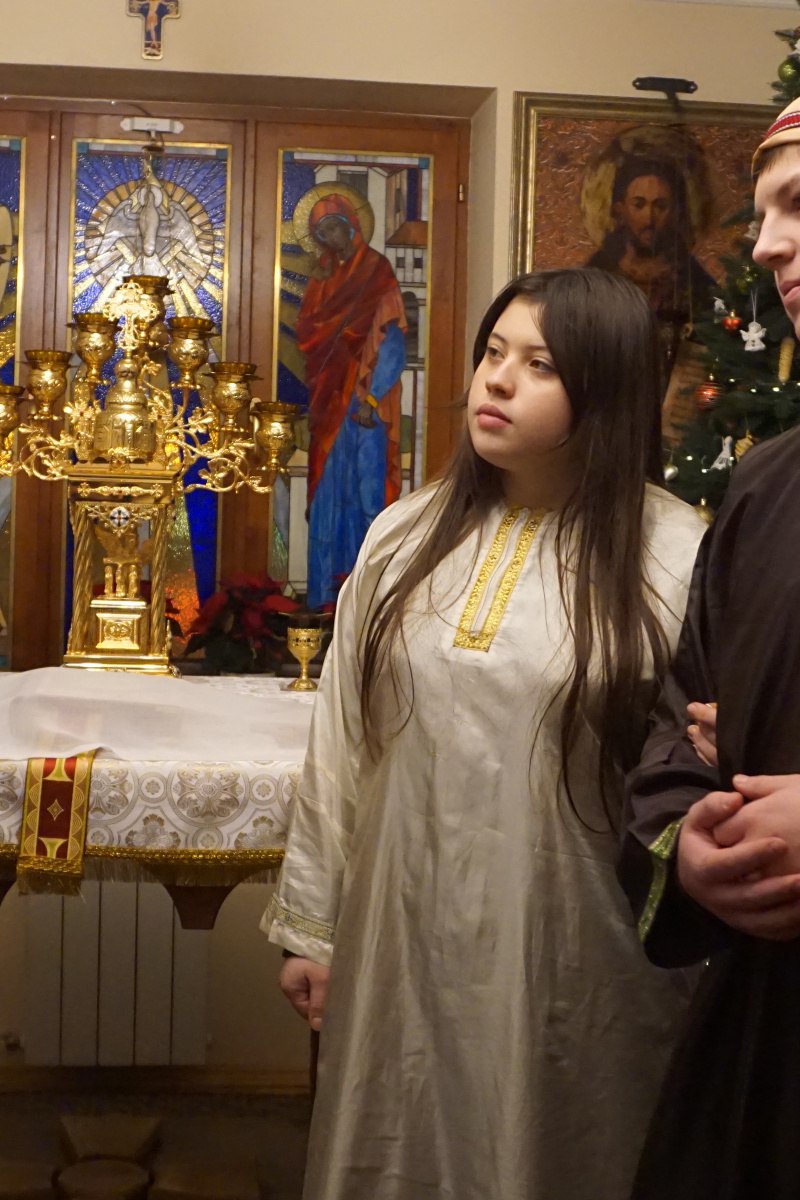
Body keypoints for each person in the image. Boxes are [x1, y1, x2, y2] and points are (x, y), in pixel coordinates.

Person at [264, 267, 707, 1200]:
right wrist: (313, 927)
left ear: (607, 388)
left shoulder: (681, 557)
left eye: (540, 364)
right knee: (402, 1138)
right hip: (401, 937)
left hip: (571, 954)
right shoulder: (404, 534)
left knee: (551, 1149)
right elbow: (342, 747)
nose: (496, 380)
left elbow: (697, 780)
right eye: (493, 353)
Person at [619, 96, 800, 1200]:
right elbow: (676, 723)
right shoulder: (765, 483)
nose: (767, 244)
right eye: (765, 212)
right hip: (762, 1041)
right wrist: (688, 840)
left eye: (798, 206)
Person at [295, 193, 407, 610]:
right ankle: (322, 603)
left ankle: (366, 603)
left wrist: (373, 398)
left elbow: (392, 342)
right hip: (328, 403)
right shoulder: (320, 281)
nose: (331, 236)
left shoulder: (376, 273)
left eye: (335, 227)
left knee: (367, 497)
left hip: (363, 406)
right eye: (322, 231)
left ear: (352, 226)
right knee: (326, 497)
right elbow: (308, 334)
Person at [586, 156, 715, 367]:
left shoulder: (693, 279)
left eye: (660, 206)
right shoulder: (597, 274)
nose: (649, 219)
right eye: (639, 205)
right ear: (620, 211)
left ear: (675, 214)